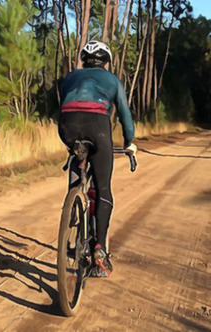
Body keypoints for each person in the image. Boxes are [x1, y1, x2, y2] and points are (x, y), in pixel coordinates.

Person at [58, 41, 137, 278]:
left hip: (67, 128)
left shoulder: (70, 77)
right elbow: (124, 113)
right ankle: (100, 250)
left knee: (77, 155)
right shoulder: (112, 80)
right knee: (103, 189)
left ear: (84, 60)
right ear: (106, 62)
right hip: (98, 129)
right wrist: (129, 143)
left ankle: (72, 204)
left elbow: (64, 105)